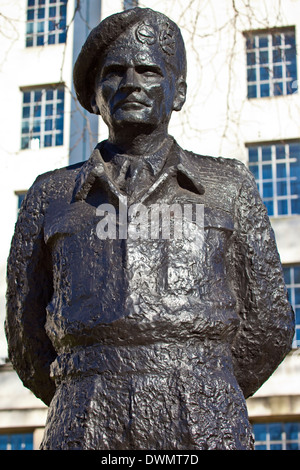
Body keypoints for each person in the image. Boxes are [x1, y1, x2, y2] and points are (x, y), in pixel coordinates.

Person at [5, 7, 294, 450]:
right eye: (115, 72)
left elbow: (270, 321)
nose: (132, 84)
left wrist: (204, 381)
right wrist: (88, 382)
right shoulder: (50, 195)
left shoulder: (228, 186)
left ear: (177, 92)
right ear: (95, 94)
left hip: (204, 411)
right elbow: (25, 336)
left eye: (149, 70)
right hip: (84, 413)